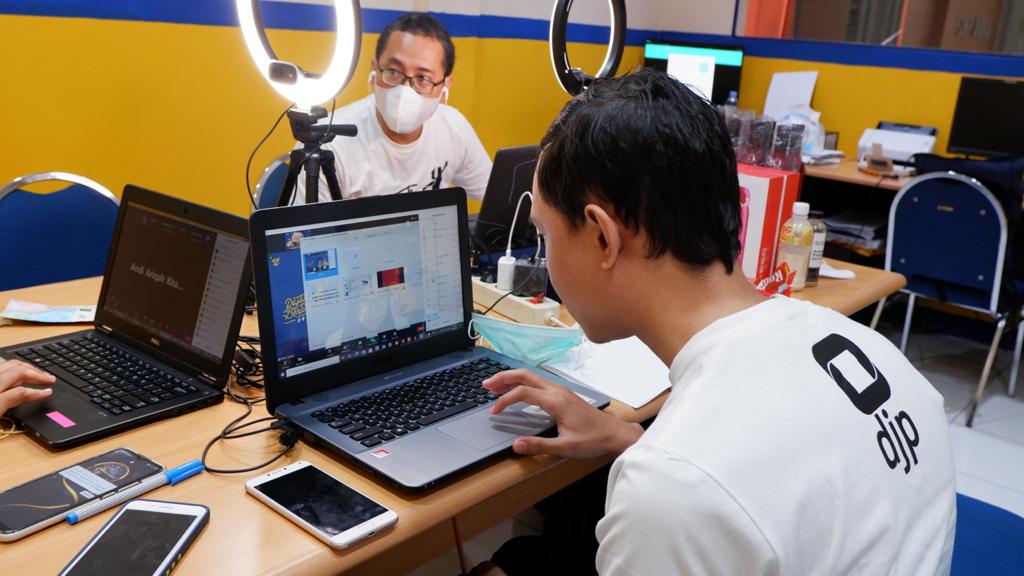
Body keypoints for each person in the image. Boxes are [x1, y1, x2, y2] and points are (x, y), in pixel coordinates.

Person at [472, 69, 956, 575]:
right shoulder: (876, 354)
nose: (546, 259)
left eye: (546, 236)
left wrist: (661, 460)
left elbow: (699, 490)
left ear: (603, 238)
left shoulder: (669, 490)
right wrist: (631, 439)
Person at [293, 12, 492, 204]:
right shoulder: (325, 143)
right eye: (394, 71)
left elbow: (495, 195)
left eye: (423, 78)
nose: (405, 90)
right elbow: (307, 227)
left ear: (445, 85)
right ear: (374, 69)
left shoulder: (454, 127)